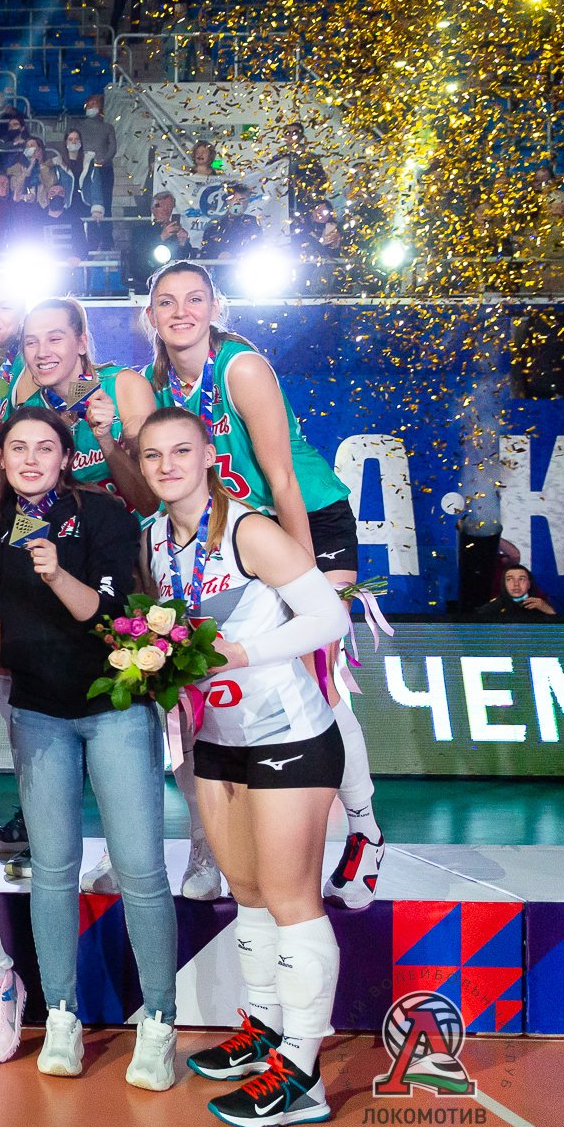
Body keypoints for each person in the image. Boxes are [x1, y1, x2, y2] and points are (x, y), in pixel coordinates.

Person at [143, 261, 384, 908]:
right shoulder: (157, 382)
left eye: (194, 299)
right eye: (167, 302)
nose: (181, 312)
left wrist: (302, 575)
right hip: (230, 533)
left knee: (316, 672)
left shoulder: (240, 368)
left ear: (215, 306)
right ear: (151, 316)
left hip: (302, 517)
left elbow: (281, 476)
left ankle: (365, 828)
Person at [138, 406, 352, 1127]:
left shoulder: (249, 530)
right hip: (217, 737)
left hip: (288, 733)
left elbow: (330, 617)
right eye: (153, 455)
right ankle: (264, 1028)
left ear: (208, 456)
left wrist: (243, 653)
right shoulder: (154, 539)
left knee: (292, 898)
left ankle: (303, 1073)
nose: (167, 466)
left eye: (181, 451)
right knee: (249, 891)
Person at [0, 406, 178, 1087]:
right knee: (51, 870)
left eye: (44, 447)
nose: (30, 459)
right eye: (17, 448)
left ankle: (159, 1023)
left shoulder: (105, 514)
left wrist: (57, 574)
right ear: (1, 458)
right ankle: (61, 1015)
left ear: (65, 456)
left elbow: (110, 616)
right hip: (37, 713)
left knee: (141, 869)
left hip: (114, 709)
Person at [7, 296, 158, 512]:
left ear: (81, 343)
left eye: (55, 339)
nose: (42, 353)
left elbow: (148, 502)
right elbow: (27, 508)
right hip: (71, 533)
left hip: (139, 530)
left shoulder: (123, 386)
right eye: (31, 342)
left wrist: (105, 439)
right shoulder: (31, 413)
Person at [479, 564, 559, 617]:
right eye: (510, 579)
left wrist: (551, 612)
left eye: (521, 579)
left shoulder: (541, 606)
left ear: (529, 584)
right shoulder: (491, 608)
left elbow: (559, 634)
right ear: (504, 584)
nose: (516, 584)